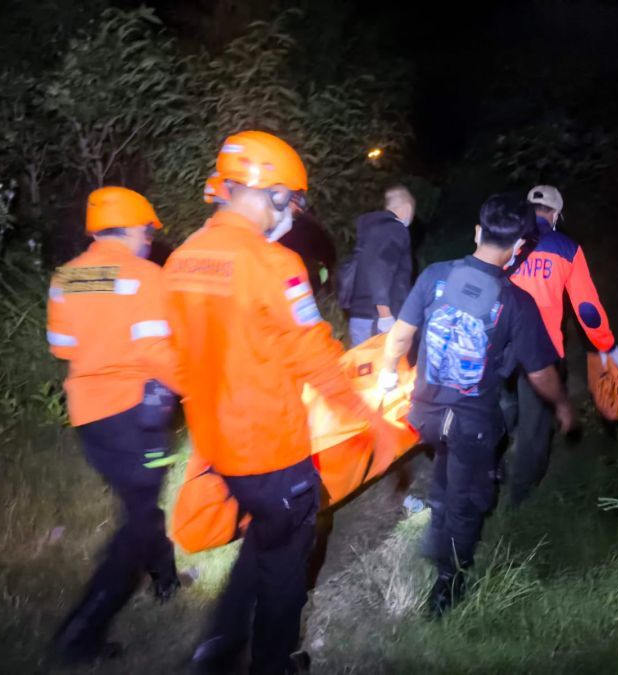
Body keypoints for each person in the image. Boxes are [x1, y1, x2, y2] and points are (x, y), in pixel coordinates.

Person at [164, 130, 392, 674]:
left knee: (261, 539)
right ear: (265, 193)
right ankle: (272, 665)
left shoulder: (182, 259)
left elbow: (174, 354)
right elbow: (312, 355)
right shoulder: (275, 266)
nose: (288, 213)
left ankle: (217, 648)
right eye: (288, 200)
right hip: (272, 451)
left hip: (218, 447)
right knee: (286, 567)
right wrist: (368, 420)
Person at [379, 193, 576, 617]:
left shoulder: (434, 276)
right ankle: (448, 583)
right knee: (470, 499)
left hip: (426, 416)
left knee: (448, 467)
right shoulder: (517, 302)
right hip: (473, 424)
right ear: (519, 247)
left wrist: (388, 374)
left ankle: (436, 524)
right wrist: (562, 404)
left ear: (476, 232)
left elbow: (399, 336)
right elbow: (540, 373)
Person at [47, 186, 182, 663]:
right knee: (137, 521)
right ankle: (79, 635)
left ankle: (165, 578)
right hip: (134, 415)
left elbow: (61, 347)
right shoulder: (144, 275)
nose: (149, 239)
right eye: (147, 230)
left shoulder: (65, 276)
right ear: (132, 228)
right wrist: (197, 385)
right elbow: (155, 352)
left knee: (140, 501)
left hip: (88, 417)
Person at [507, 185, 618, 505]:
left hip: (499, 349)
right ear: (556, 215)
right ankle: (519, 501)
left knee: (498, 413)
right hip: (541, 354)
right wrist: (609, 347)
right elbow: (587, 310)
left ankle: (488, 470)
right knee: (534, 430)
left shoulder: (504, 239)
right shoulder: (567, 248)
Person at [347, 185, 416, 345]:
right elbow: (380, 267)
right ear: (407, 207)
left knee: (365, 367)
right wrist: (385, 316)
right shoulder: (395, 228)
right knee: (384, 368)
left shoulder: (372, 230)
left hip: (360, 315)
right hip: (376, 319)